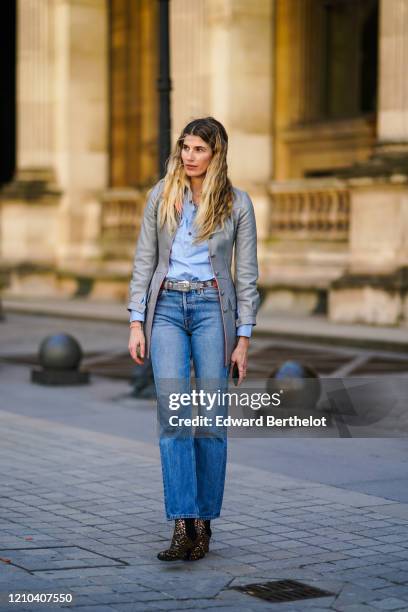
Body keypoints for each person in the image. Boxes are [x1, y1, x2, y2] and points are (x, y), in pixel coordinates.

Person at [127, 116, 260, 561]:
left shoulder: (237, 204)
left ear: (216, 153)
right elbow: (144, 261)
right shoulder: (160, 196)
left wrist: (243, 338)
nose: (190, 156)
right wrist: (135, 320)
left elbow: (247, 278)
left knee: (211, 422)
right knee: (174, 419)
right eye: (185, 147)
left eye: (199, 149)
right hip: (165, 309)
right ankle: (183, 523)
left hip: (211, 313)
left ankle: (205, 520)